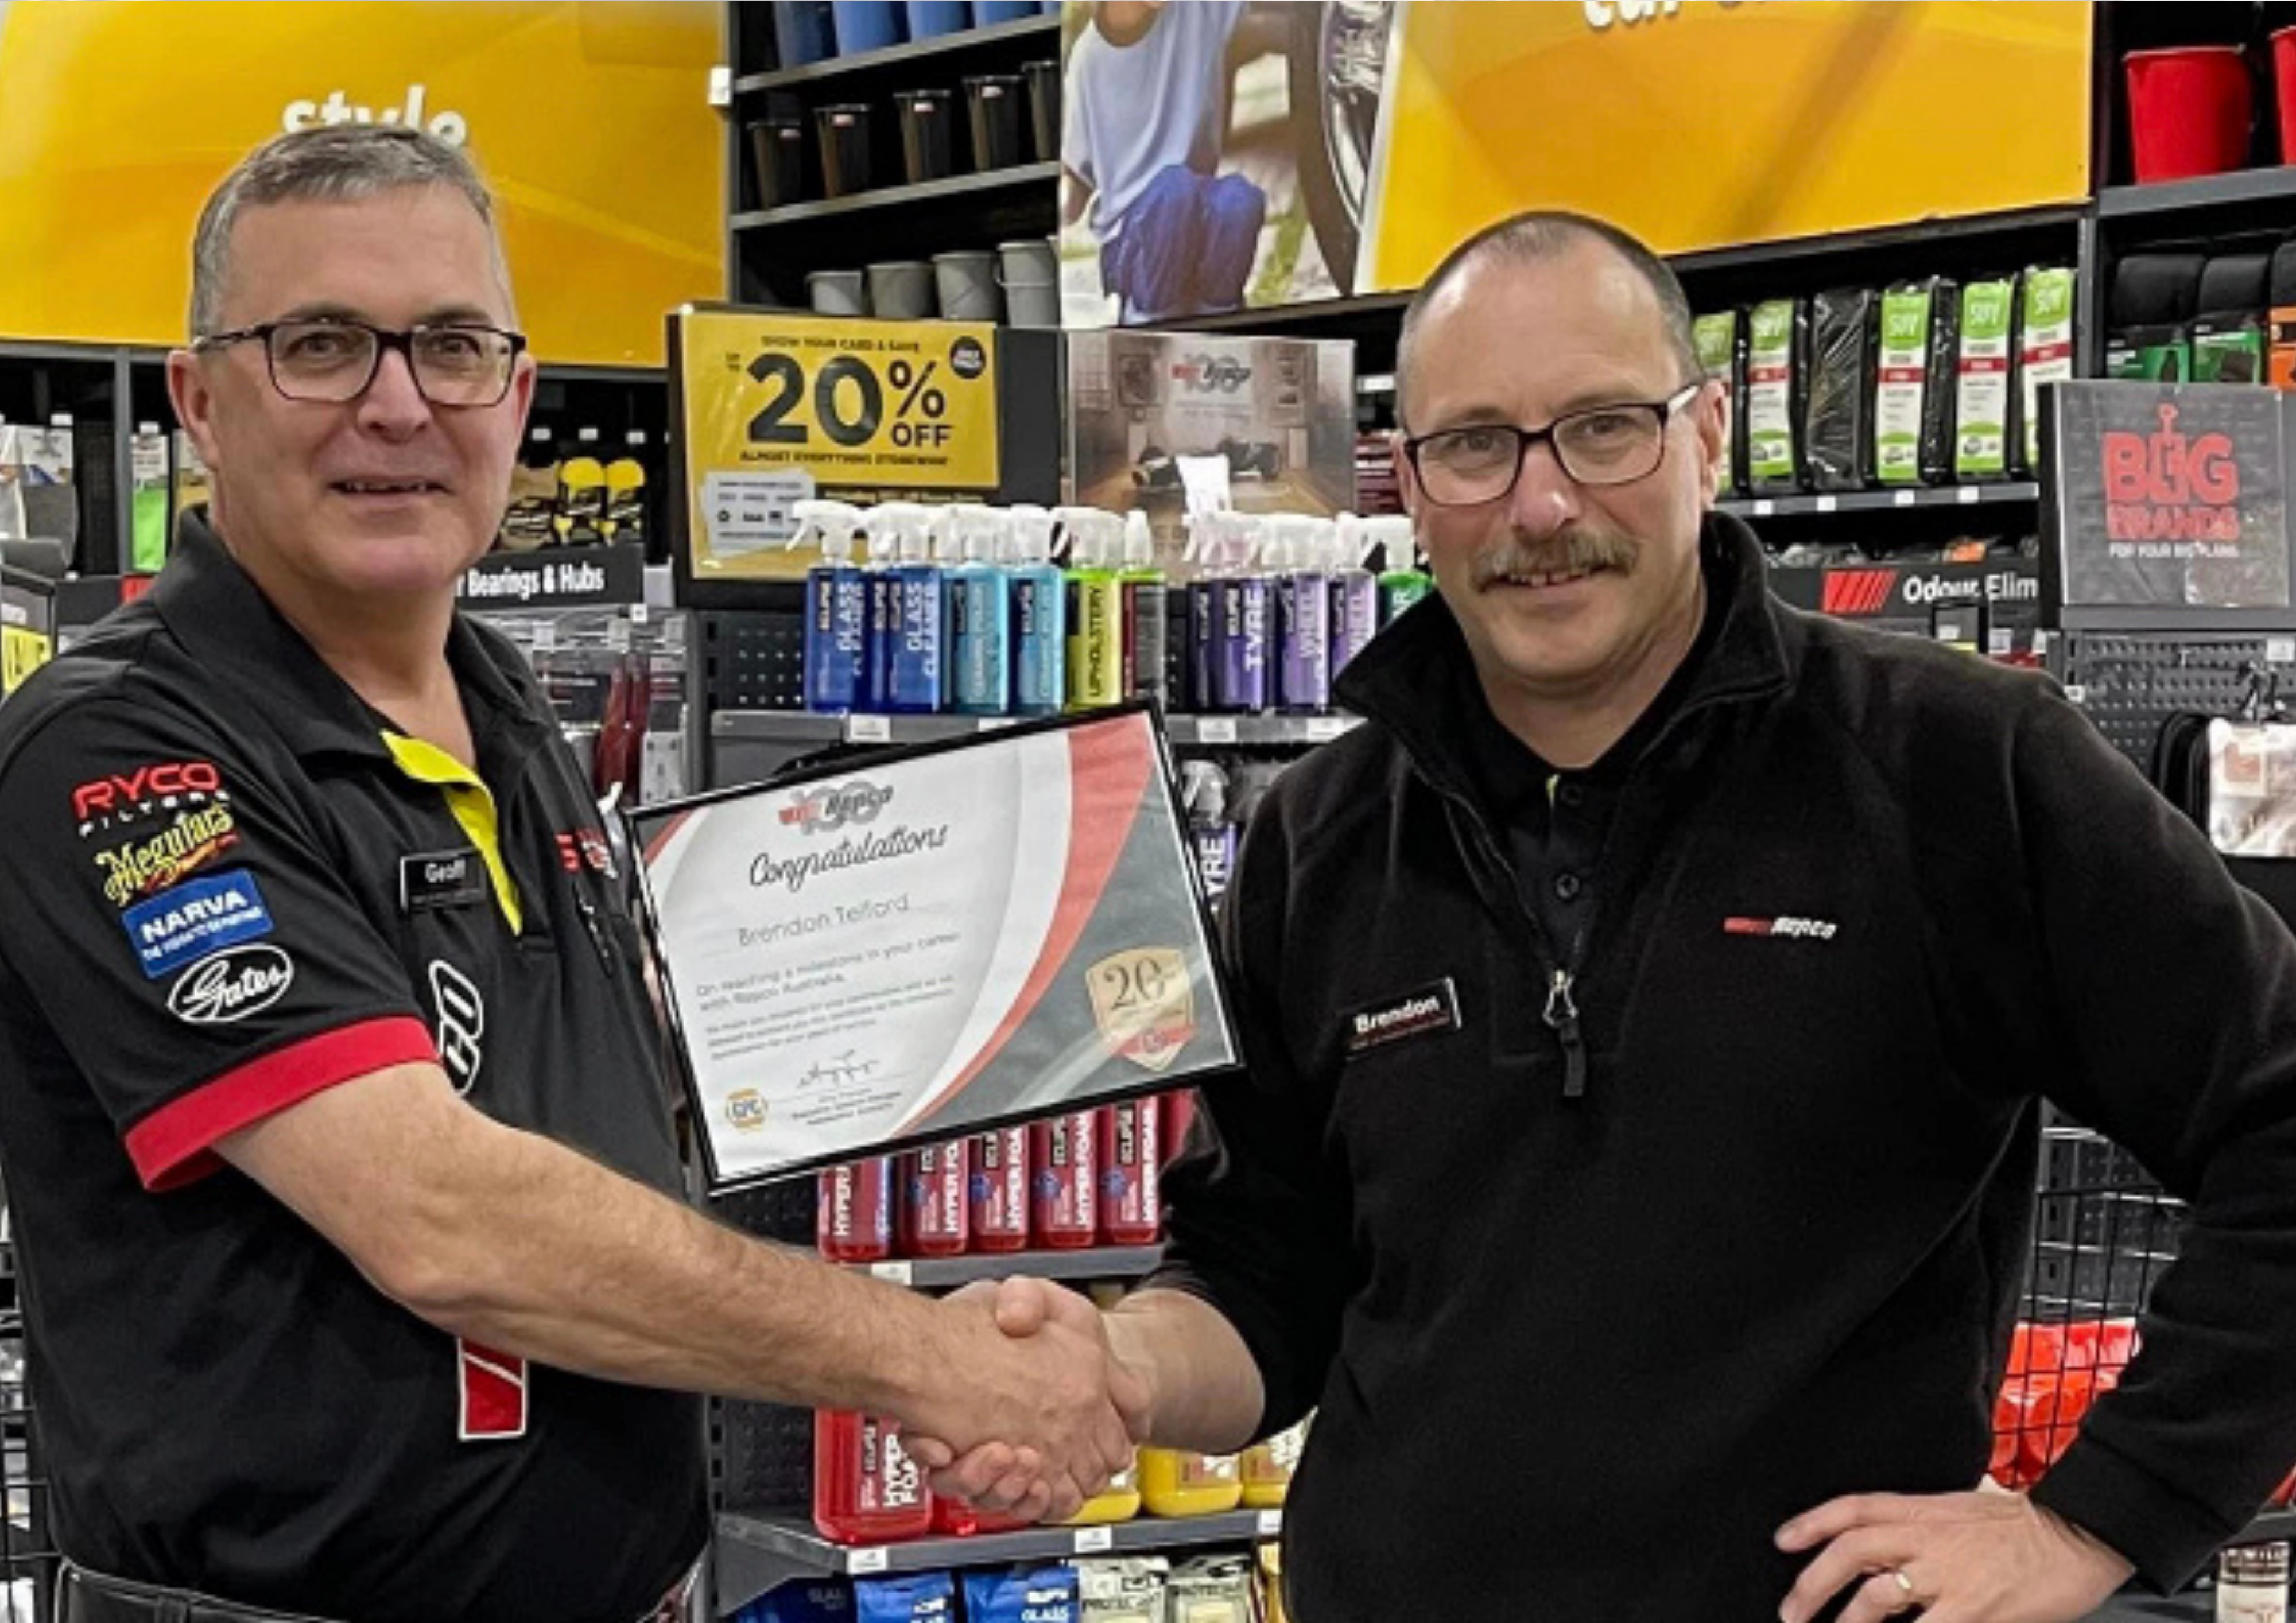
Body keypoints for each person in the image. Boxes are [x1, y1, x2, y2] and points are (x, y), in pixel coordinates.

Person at [915, 212, 2296, 1621]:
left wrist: (2100, 1517)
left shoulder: (1952, 765)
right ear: (1408, 482)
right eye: (1475, 445)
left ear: (1703, 439)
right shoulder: (1319, 835)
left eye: (1600, 429)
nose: (1540, 507)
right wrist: (1110, 1366)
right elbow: (1266, 1281)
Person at [0, 126, 1139, 1623]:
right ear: (200, 402)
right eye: (323, 345)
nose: (396, 404)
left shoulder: (512, 707)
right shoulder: (123, 751)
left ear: (519, 399)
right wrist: (924, 1357)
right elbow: (445, 1215)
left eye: (454, 348)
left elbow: (636, 1103)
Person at [1061, 0, 1267, 323]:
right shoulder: (1088, 61)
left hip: (1198, 211)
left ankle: (1220, 316)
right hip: (1132, 237)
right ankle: (1149, 316)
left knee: (1239, 200)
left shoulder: (1201, 11)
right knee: (1175, 190)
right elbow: (1076, 176)